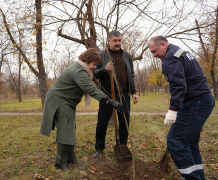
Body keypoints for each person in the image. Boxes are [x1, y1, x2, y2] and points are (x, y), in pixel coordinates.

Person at [40, 48, 125, 171]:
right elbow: (91, 89)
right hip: (59, 101)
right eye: (94, 64)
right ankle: (60, 162)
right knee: (65, 131)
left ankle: (71, 159)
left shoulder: (81, 69)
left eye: (97, 65)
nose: (95, 67)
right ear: (87, 60)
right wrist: (111, 101)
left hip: (67, 102)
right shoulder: (79, 72)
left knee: (70, 129)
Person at [148, 36, 215, 180]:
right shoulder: (180, 52)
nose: (154, 55)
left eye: (155, 51)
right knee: (190, 143)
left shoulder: (170, 58)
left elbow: (178, 85)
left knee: (175, 141)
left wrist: (173, 110)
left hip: (195, 103)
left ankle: (191, 177)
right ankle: (197, 176)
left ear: (163, 44)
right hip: (204, 101)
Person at [92, 30, 138, 158]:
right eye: (115, 41)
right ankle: (99, 148)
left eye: (119, 40)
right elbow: (93, 73)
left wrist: (133, 92)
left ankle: (122, 145)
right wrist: (104, 70)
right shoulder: (101, 54)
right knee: (102, 122)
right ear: (109, 41)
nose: (118, 43)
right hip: (106, 94)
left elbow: (131, 75)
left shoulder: (127, 56)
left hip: (124, 94)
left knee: (124, 121)